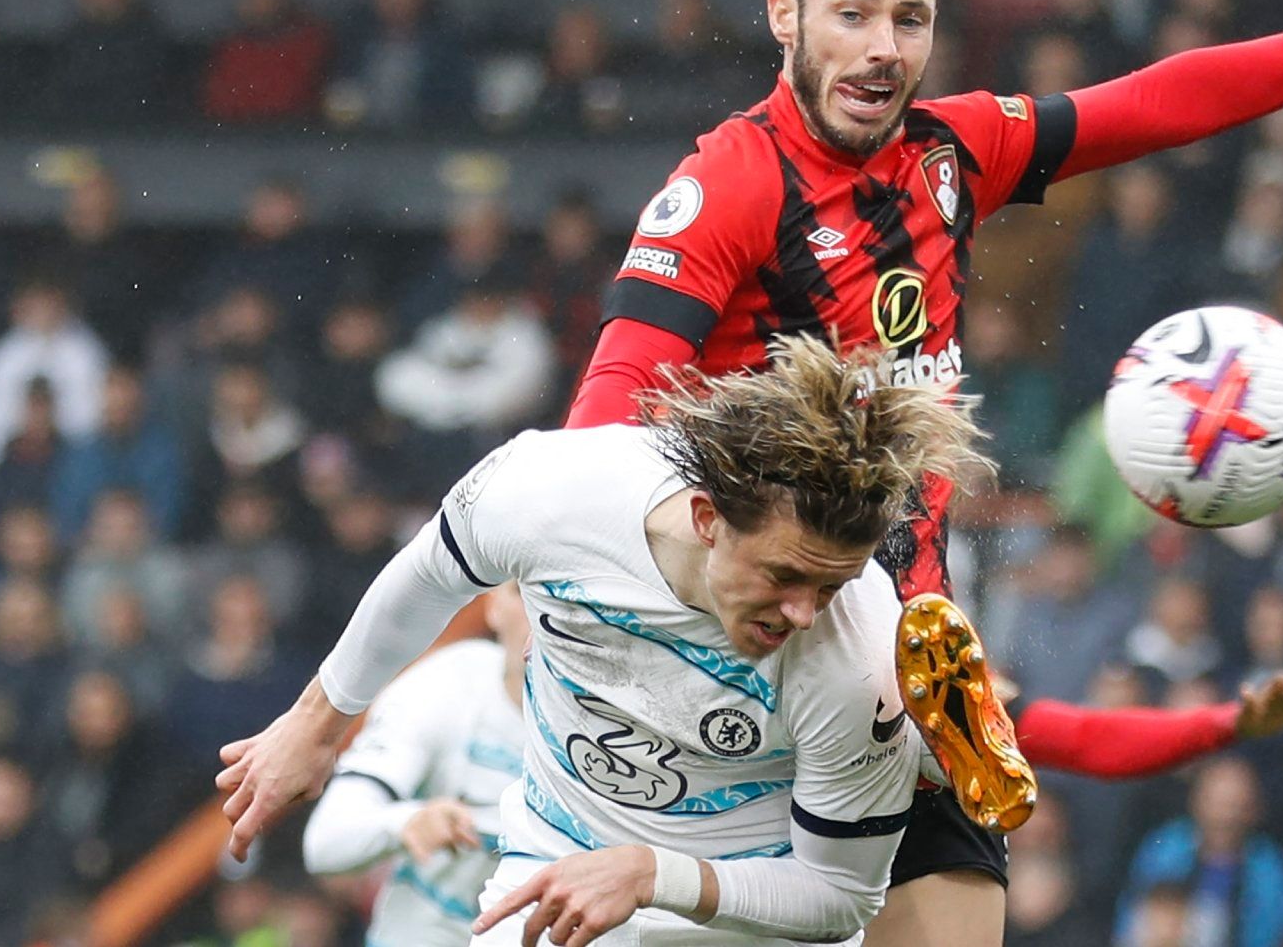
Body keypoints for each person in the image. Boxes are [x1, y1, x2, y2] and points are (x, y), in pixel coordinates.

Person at [565, 0, 1283, 942]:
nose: (884, 47)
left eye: (910, 19)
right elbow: (605, 416)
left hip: (916, 677)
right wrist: (561, 575)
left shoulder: (954, 153)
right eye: (852, 12)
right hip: (750, 686)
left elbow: (1162, 100)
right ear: (783, 15)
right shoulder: (729, 185)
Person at [218, 338, 1001, 946]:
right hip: (549, 872)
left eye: (830, 586)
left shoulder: (857, 657)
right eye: (784, 576)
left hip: (742, 924)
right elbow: (428, 574)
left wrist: (652, 874)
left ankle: (945, 744)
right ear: (708, 519)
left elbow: (839, 896)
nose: (803, 612)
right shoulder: (552, 492)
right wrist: (315, 723)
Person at [301, 582, 530, 946]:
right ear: (493, 605)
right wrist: (407, 822)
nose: (541, 609)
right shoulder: (446, 685)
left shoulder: (619, 725)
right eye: (522, 592)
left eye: (556, 592)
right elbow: (326, 841)